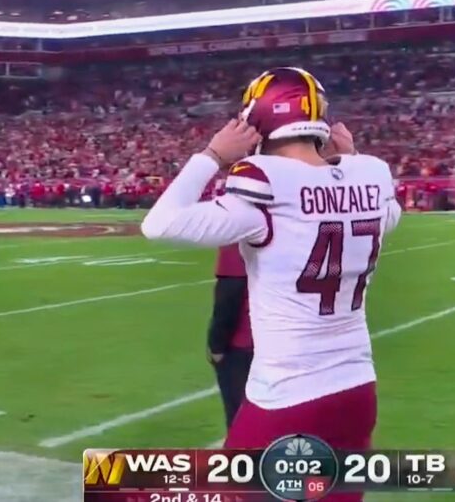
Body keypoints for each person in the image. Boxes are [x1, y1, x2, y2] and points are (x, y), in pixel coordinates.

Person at [141, 68, 401, 473]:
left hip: (288, 392)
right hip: (356, 388)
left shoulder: (265, 179)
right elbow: (387, 214)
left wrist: (212, 156)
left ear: (259, 117)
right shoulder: (370, 172)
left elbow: (158, 224)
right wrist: (347, 159)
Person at [208, 244, 253, 429]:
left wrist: (216, 345)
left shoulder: (238, 239)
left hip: (244, 344)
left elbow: (230, 293)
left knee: (241, 419)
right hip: (289, 339)